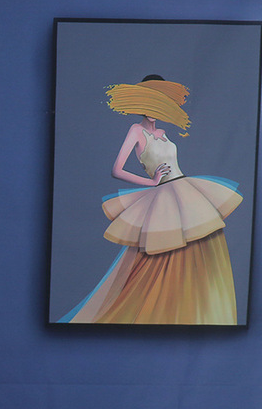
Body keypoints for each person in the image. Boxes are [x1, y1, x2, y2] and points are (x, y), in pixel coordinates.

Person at [60, 75, 242, 324]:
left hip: (186, 190)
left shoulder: (164, 133)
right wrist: (152, 182)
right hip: (164, 196)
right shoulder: (136, 130)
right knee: (161, 259)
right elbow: (117, 169)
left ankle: (195, 314)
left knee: (200, 249)